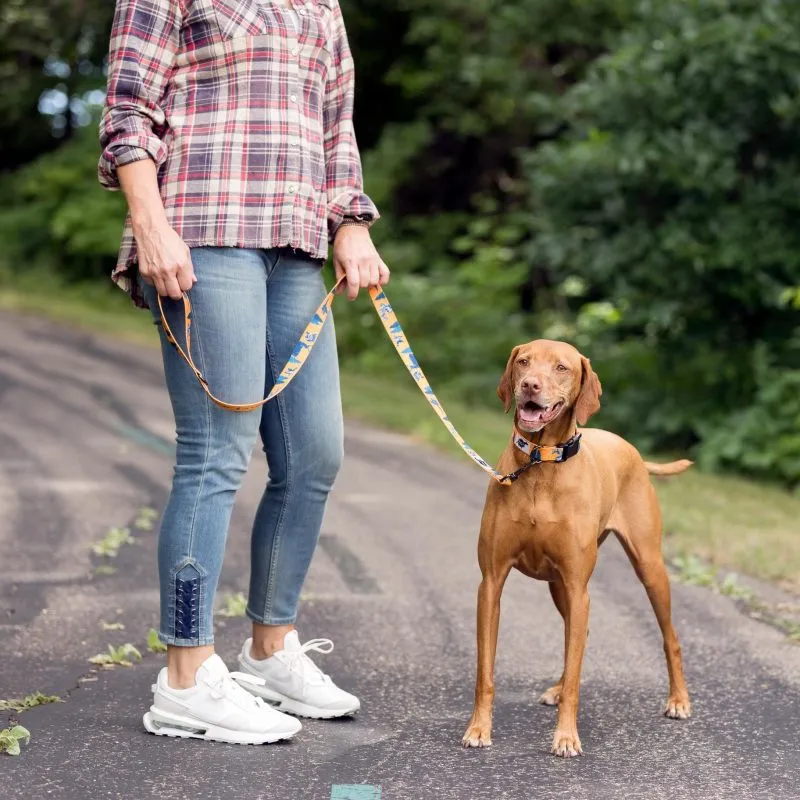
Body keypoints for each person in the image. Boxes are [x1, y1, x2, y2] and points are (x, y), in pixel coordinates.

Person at [98, 0, 388, 745]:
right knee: (216, 453)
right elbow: (129, 112)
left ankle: (268, 650)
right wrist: (150, 224)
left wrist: (349, 224)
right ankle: (186, 677)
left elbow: (336, 126)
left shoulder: (319, 6)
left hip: (295, 245)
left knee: (314, 453)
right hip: (203, 233)